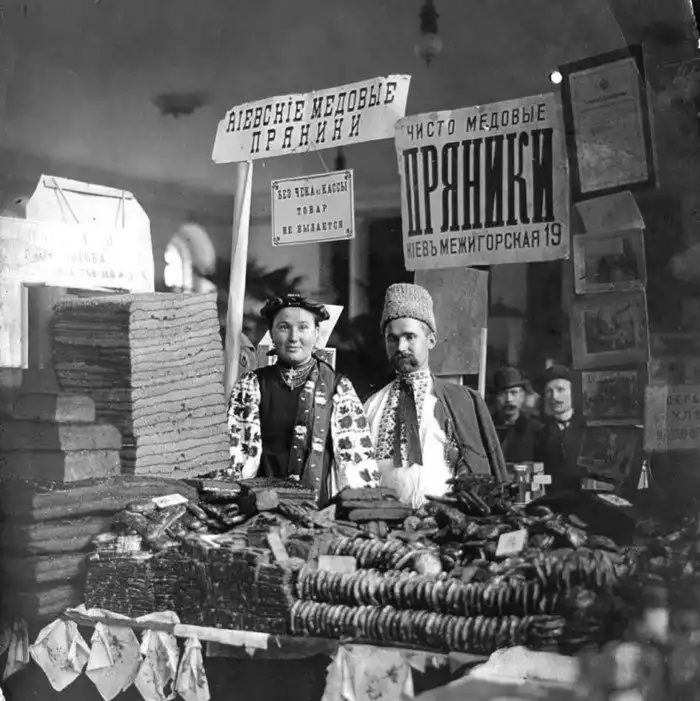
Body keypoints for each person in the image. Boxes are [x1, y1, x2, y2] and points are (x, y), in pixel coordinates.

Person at [226, 294, 380, 505]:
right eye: (283, 327)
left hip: (317, 510)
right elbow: (237, 458)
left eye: (303, 328)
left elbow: (356, 464)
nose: (293, 337)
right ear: (271, 333)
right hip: (261, 507)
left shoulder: (337, 387)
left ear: (316, 333)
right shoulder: (251, 385)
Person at [364, 283, 507, 507]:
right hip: (384, 523)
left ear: (431, 340)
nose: (401, 347)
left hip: (444, 521)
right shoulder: (372, 406)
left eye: (410, 336)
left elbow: (480, 477)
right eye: (392, 338)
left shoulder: (461, 401)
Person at [534, 365, 586, 491]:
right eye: (549, 391)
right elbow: (539, 476)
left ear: (573, 393)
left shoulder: (587, 430)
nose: (554, 397)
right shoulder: (540, 435)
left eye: (561, 389)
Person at [491, 366, 543, 464]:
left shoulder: (537, 431)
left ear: (522, 396)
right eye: (503, 393)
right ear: (495, 398)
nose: (509, 399)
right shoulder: (486, 428)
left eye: (513, 393)